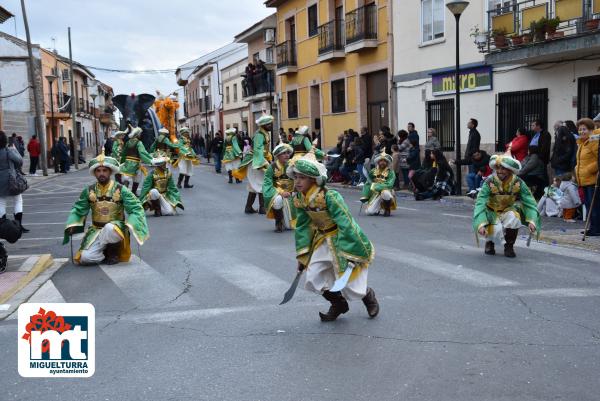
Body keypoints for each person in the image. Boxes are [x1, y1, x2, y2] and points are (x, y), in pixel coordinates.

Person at [289, 151, 379, 321]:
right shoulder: (299, 200)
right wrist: (302, 257)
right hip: (321, 241)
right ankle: (339, 304)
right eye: (296, 177)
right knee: (313, 278)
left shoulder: (330, 196)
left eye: (302, 177)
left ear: (313, 179)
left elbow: (346, 223)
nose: (298, 181)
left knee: (350, 283)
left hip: (340, 239)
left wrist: (351, 249)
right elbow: (302, 227)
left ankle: (368, 295)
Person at [63, 152, 149, 265]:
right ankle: (104, 252)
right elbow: (78, 209)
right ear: (94, 173)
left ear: (110, 172)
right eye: (98, 171)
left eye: (104, 170)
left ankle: (113, 253)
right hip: (96, 230)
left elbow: (136, 208)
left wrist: (132, 223)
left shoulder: (121, 189)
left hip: (115, 229)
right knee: (85, 258)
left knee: (109, 228)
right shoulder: (88, 190)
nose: (101, 174)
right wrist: (72, 224)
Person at [473, 153, 540, 258]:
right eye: (498, 168)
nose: (500, 171)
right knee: (496, 229)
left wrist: (532, 220)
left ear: (510, 170)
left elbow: (529, 201)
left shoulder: (518, 182)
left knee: (514, 218)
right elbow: (480, 201)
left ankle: (509, 246)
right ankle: (490, 243)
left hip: (508, 209)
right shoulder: (489, 181)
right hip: (491, 210)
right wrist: (480, 224)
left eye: (503, 168)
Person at [233, 113, 274, 214]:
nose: (271, 126)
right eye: (268, 124)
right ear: (263, 125)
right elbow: (258, 150)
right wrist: (262, 163)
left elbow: (264, 150)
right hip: (256, 161)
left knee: (254, 185)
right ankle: (262, 207)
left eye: (270, 124)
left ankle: (248, 207)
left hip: (258, 160)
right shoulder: (259, 135)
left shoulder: (264, 133)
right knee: (261, 182)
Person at [262, 143, 296, 232]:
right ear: (278, 156)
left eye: (288, 153)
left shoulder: (293, 165)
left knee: (290, 227)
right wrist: (280, 192)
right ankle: (278, 222)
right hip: (279, 193)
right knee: (277, 200)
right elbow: (267, 183)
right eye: (284, 153)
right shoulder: (272, 167)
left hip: (293, 193)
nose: (287, 155)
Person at [0, 130, 29, 234]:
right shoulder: (9, 151)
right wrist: (14, 150)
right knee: (18, 200)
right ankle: (18, 225)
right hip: (11, 179)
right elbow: (20, 161)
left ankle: (2, 227)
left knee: (1, 203)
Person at [575, 118, 599, 236]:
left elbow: (598, 160)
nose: (581, 132)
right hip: (583, 180)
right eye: (579, 129)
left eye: (584, 129)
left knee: (594, 206)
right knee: (589, 205)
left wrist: (589, 170)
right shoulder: (581, 143)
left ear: (590, 130)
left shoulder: (593, 142)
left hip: (592, 179)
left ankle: (596, 229)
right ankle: (593, 227)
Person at [119, 126, 153, 196]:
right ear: (137, 134)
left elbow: (124, 153)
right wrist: (150, 160)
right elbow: (142, 153)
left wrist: (122, 161)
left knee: (127, 177)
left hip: (128, 162)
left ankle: (124, 193)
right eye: (140, 134)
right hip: (136, 163)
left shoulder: (128, 142)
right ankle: (133, 192)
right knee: (137, 178)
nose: (140, 135)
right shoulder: (139, 143)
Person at [361, 150, 396, 217]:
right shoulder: (373, 171)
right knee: (369, 212)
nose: (382, 163)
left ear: (387, 162)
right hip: (375, 193)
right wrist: (365, 195)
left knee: (385, 193)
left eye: (384, 161)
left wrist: (376, 186)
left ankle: (387, 209)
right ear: (378, 162)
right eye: (381, 161)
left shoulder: (391, 172)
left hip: (386, 191)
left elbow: (389, 184)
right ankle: (377, 208)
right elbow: (368, 182)